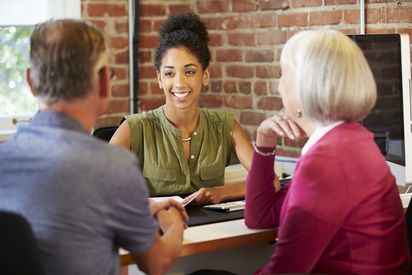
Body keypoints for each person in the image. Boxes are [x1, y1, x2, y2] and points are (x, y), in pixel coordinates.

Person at [0, 19, 188, 275]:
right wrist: (173, 224)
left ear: (31, 81)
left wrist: (136, 208)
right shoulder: (112, 167)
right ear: (103, 83)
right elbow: (156, 263)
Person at [245, 30, 410, 273]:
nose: (279, 85)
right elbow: (261, 216)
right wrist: (264, 141)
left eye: (283, 73)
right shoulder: (351, 140)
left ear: (303, 84)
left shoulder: (326, 161)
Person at [110, 13, 254, 205]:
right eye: (169, 73)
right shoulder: (135, 127)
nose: (179, 83)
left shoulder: (225, 125)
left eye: (189, 72)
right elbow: (96, 187)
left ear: (205, 75)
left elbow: (269, 181)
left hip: (213, 230)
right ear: (160, 79)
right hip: (158, 231)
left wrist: (221, 192)